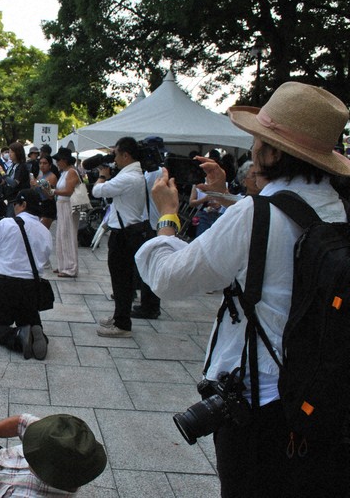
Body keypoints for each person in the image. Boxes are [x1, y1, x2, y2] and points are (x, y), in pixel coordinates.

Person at [135, 82, 350, 496]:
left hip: (260, 400)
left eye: (259, 140)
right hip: (318, 396)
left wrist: (167, 217)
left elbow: (170, 278)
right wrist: (230, 197)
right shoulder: (337, 207)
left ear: (273, 152)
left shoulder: (256, 215)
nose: (252, 148)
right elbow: (291, 222)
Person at [92, 137, 158, 337]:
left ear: (126, 155)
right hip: (129, 230)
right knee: (123, 280)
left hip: (124, 234)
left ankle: (122, 324)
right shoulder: (135, 174)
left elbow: (97, 191)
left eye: (116, 154)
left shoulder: (128, 177)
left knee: (121, 280)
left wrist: (102, 176)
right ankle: (120, 315)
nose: (115, 159)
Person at [0, 189, 52, 359]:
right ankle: (35, 331)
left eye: (16, 204)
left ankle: (18, 337)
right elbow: (44, 258)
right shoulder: (45, 232)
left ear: (23, 205)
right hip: (31, 286)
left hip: (5, 284)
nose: (14, 207)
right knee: (28, 320)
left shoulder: (6, 224)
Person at [50, 148, 80, 277]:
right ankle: (63, 264)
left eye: (58, 160)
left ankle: (70, 267)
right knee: (62, 235)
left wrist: (53, 191)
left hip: (68, 206)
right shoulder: (64, 172)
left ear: (64, 160)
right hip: (62, 205)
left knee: (68, 235)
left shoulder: (72, 172)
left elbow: (69, 191)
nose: (57, 163)